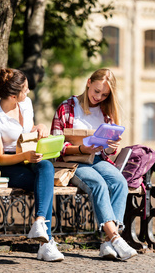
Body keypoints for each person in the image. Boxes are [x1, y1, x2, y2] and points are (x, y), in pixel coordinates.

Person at [51, 68, 137, 261]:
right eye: (96, 91)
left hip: (98, 159)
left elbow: (108, 152)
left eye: (104, 94)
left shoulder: (107, 111)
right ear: (89, 82)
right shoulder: (67, 107)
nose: (98, 97)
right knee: (98, 184)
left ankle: (107, 242)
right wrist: (81, 149)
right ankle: (115, 238)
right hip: (73, 162)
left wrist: (110, 147)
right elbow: (56, 145)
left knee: (119, 183)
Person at [0, 68, 64, 262]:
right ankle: (47, 244)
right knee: (44, 183)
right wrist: (23, 155)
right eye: (25, 89)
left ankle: (39, 222)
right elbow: (0, 158)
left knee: (46, 168)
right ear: (13, 96)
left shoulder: (26, 104)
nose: (28, 92)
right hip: (10, 163)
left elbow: (29, 129)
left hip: (31, 155)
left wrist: (40, 127)